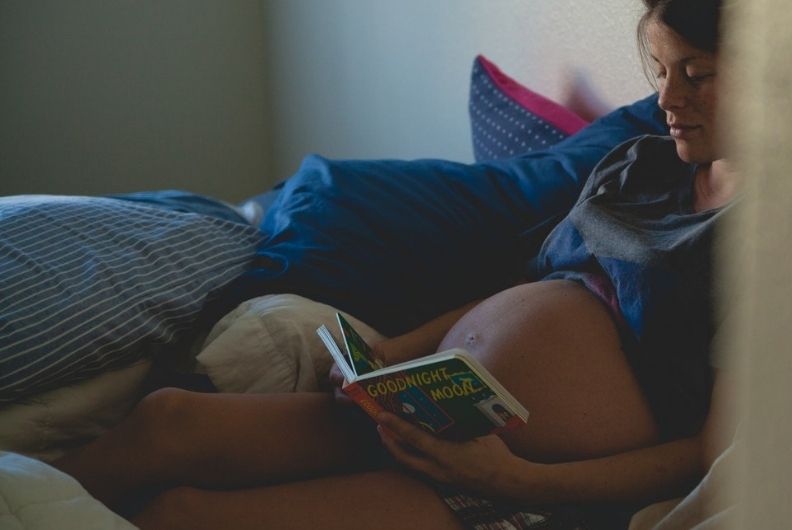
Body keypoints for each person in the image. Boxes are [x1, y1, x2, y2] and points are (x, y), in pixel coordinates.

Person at [53, 1, 736, 528]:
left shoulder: (773, 251)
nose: (667, 101)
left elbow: (708, 455)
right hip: (427, 411)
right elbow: (540, 284)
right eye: (660, 71)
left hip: (525, 486)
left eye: (696, 75)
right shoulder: (640, 163)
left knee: (187, 517)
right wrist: (392, 354)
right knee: (168, 420)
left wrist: (510, 480)